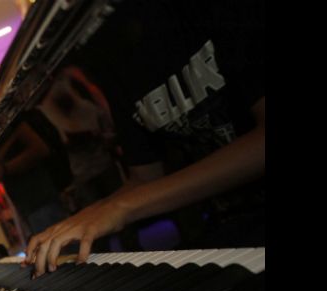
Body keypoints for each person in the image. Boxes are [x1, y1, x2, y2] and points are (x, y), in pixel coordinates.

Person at [25, 0, 265, 275]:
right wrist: (87, 216)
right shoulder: (109, 55)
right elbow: (145, 177)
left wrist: (121, 207)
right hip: (234, 229)